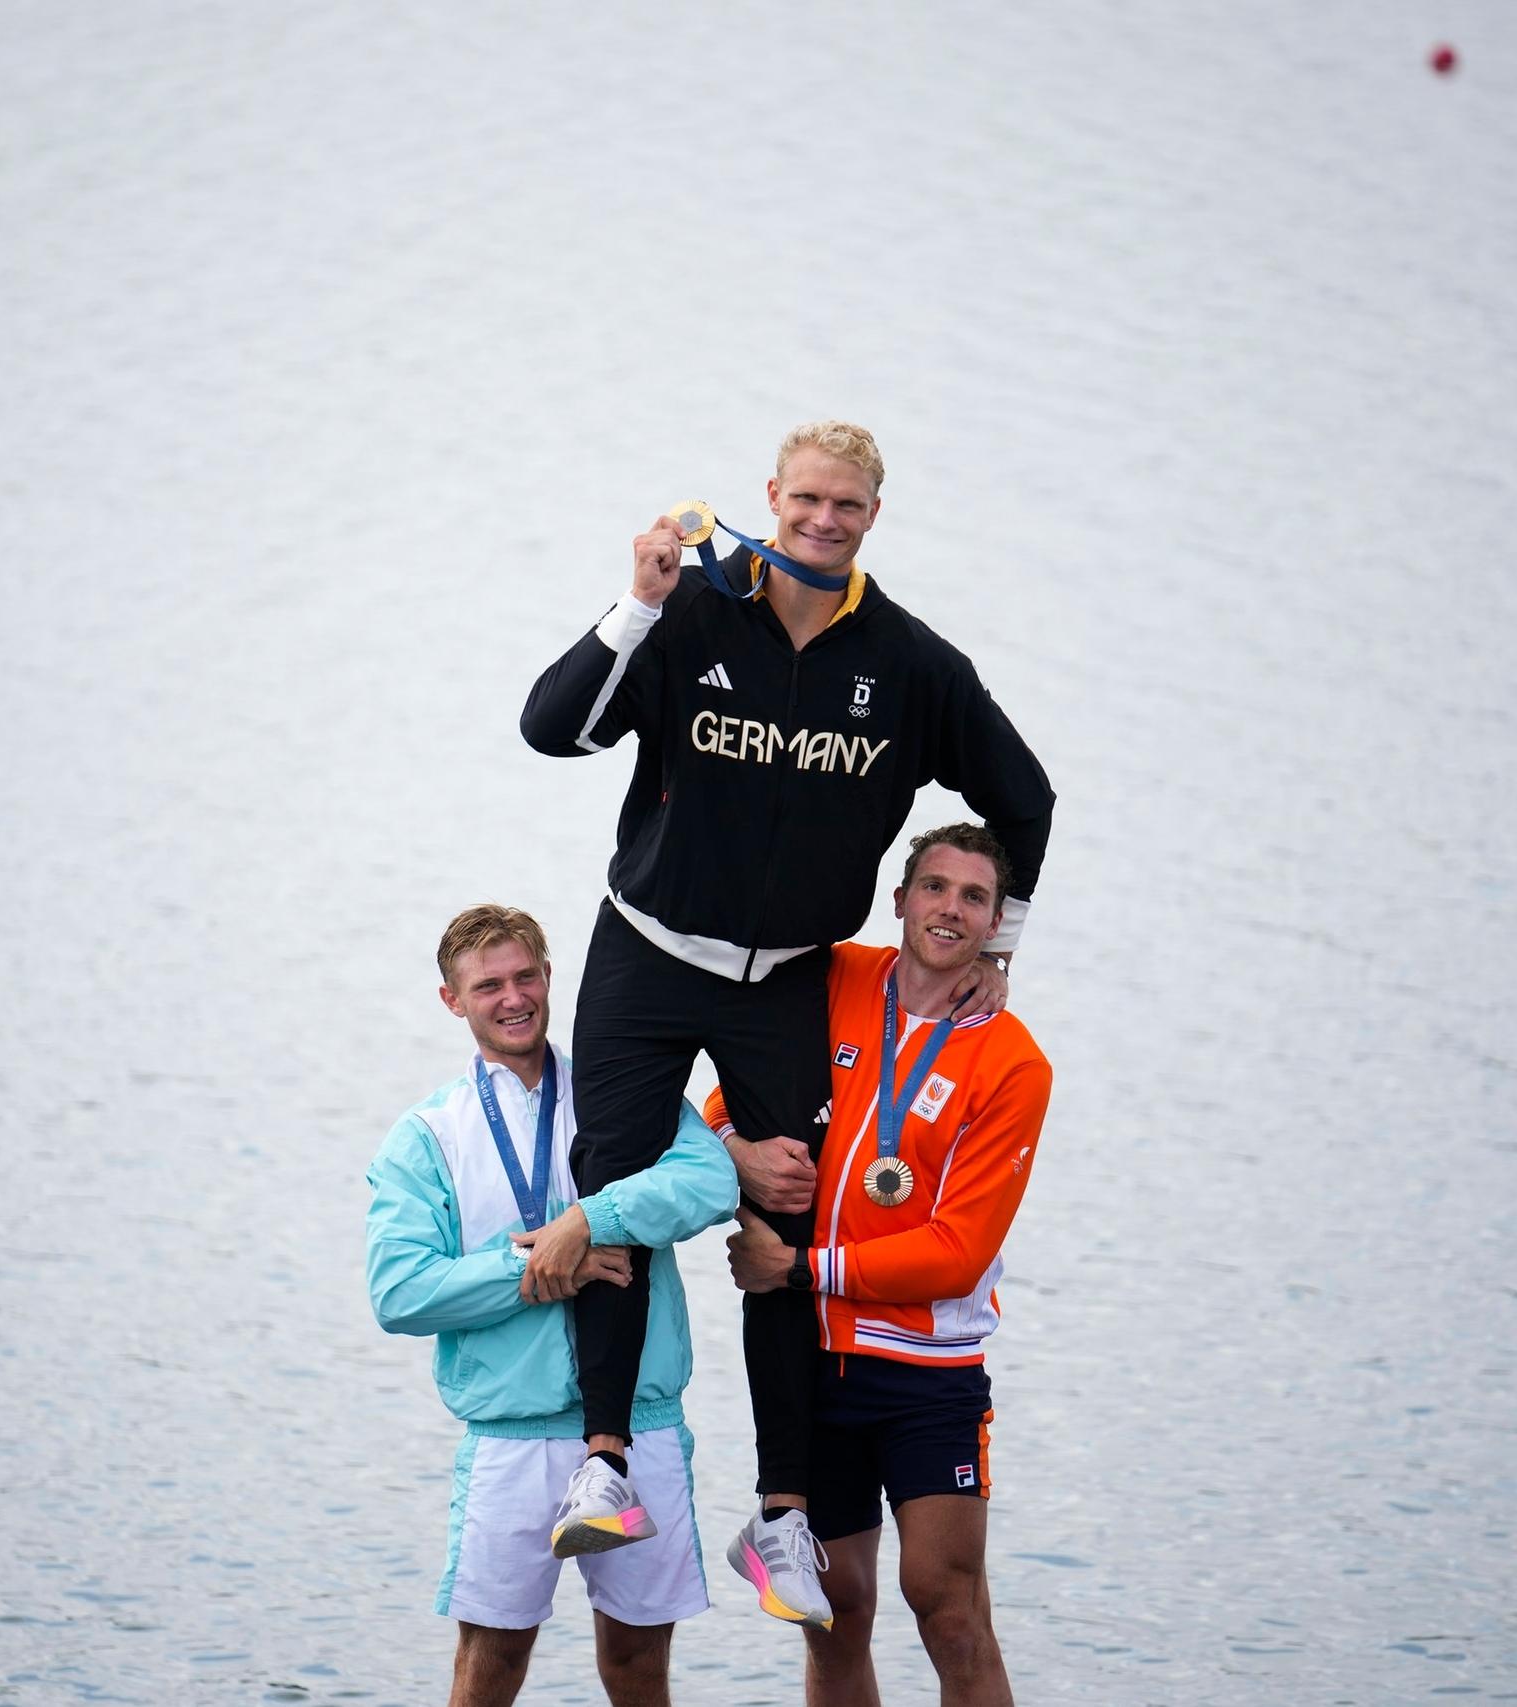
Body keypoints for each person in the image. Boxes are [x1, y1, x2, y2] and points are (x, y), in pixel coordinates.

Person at [519, 420, 1055, 1628]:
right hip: (646, 953)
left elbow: (1025, 797)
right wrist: (638, 603)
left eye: (848, 506)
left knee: (789, 1210)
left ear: (873, 517)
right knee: (610, 1177)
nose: (823, 519)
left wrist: (1001, 947)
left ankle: (782, 1519)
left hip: (785, 979)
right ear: (771, 497)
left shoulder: (911, 665)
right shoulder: (694, 609)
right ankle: (603, 1462)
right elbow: (552, 728)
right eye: (805, 498)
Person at [712, 823, 1050, 1705]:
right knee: (836, 1610)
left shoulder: (1014, 1063)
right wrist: (736, 1152)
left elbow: (956, 1252)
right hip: (813, 1360)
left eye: (973, 897)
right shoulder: (836, 977)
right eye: (934, 888)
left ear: (995, 923)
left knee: (947, 1608)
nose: (949, 910)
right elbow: (725, 1101)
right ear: (899, 898)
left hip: (927, 1370)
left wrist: (798, 1268)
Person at [367, 905, 738, 1707]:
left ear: (549, 976)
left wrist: (589, 1221)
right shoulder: (427, 1134)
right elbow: (399, 1292)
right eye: (488, 984)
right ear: (451, 999)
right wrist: (535, 1266)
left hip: (641, 1423)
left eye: (525, 976)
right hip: (512, 1435)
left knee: (638, 1669)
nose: (513, 998)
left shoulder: (620, 1088)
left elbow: (712, 1181)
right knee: (489, 1669)